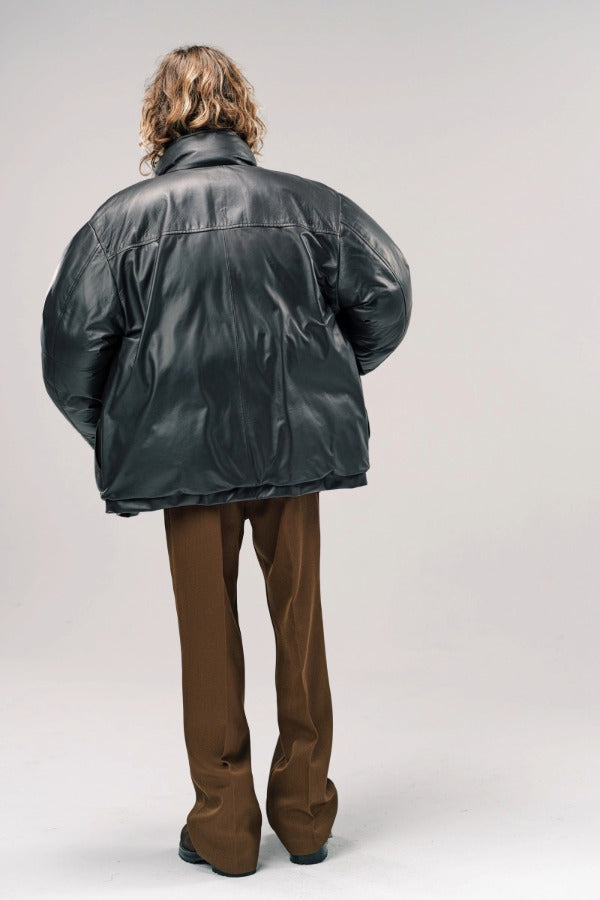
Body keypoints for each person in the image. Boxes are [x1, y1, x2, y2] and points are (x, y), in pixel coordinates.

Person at [40, 44, 412, 877]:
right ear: (242, 109)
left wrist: (126, 428)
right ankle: (308, 818)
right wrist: (328, 375)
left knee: (206, 640)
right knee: (300, 629)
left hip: (185, 467)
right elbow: (389, 293)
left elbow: (67, 357)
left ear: (159, 117)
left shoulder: (118, 224)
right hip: (295, 449)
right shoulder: (312, 208)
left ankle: (224, 831)